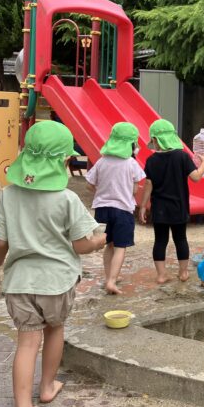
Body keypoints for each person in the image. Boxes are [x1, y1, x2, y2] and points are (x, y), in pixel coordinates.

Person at [0, 120, 106, 407]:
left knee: (26, 343)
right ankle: (48, 386)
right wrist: (98, 241)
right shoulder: (66, 199)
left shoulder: (8, 195)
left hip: (19, 283)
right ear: (64, 161)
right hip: (56, 282)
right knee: (55, 329)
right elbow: (81, 244)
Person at [140, 118, 204, 284]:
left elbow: (148, 184)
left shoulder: (151, 160)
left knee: (160, 241)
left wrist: (143, 206)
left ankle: (161, 275)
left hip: (159, 209)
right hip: (178, 207)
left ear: (156, 140)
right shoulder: (182, 156)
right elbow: (196, 178)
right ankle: (183, 272)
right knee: (181, 239)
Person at [86, 122, 146, 295]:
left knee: (108, 245)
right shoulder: (131, 164)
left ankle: (108, 277)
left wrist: (102, 191)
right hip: (123, 210)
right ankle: (112, 281)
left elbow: (89, 185)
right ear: (131, 145)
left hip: (102, 209)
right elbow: (135, 189)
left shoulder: (101, 162)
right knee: (120, 246)